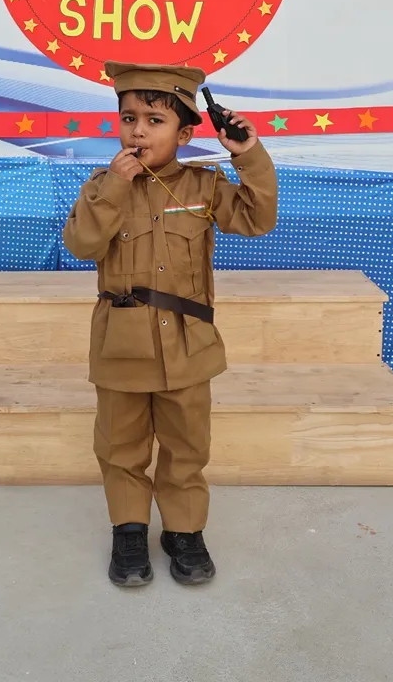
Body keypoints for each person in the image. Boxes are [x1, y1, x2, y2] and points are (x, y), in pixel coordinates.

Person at [63, 62, 278, 587]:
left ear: (184, 134)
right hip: (121, 347)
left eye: (154, 120)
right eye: (128, 118)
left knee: (187, 446)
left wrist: (248, 155)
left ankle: (183, 532)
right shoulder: (102, 187)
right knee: (121, 446)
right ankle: (129, 530)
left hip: (187, 346)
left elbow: (257, 219)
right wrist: (115, 187)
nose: (137, 131)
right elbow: (82, 244)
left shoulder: (205, 186)